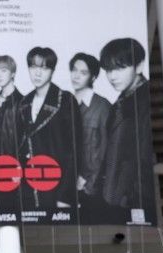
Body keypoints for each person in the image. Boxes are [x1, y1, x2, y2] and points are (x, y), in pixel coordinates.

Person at [17, 47, 82, 216]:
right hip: (28, 188)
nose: (37, 73)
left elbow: (75, 150)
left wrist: (65, 195)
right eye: (33, 67)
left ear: (52, 71)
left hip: (56, 186)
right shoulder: (24, 102)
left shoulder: (65, 100)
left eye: (44, 68)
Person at [99, 38, 156, 225]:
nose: (112, 76)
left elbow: (145, 156)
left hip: (135, 201)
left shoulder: (146, 101)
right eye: (108, 70)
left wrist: (133, 198)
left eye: (120, 68)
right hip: (116, 198)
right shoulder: (120, 103)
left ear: (139, 66)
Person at [69, 52, 111, 222]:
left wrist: (87, 180)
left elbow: (107, 151)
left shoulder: (103, 107)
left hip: (91, 189)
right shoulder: (65, 104)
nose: (76, 76)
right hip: (67, 188)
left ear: (93, 77)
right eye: (74, 70)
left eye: (83, 72)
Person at [0, 55, 24, 213]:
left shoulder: (23, 102)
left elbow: (25, 141)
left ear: (13, 73)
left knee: (14, 211)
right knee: (0, 210)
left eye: (3, 70)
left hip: (14, 169)